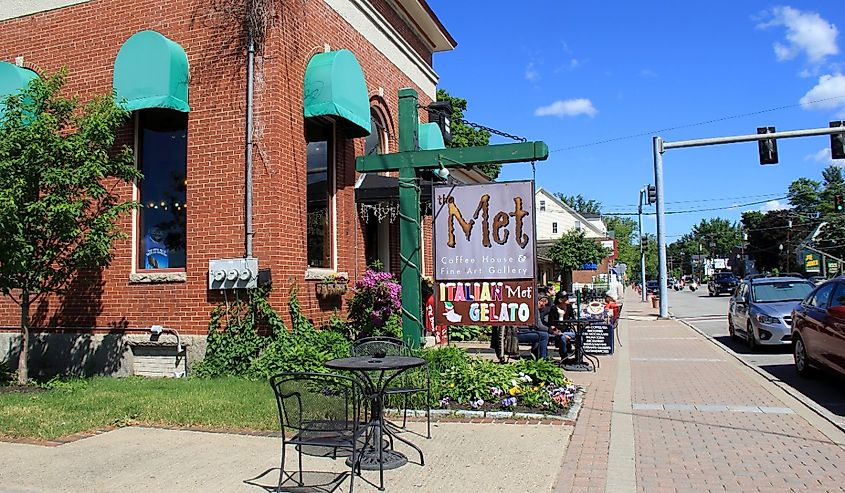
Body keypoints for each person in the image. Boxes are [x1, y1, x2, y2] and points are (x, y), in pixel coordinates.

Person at [517, 295, 551, 359]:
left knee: (540, 334)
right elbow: (538, 326)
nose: (543, 304)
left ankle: (536, 356)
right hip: (521, 332)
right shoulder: (534, 309)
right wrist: (550, 330)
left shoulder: (528, 307)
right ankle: (543, 359)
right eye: (541, 302)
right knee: (544, 335)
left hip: (522, 331)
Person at [548, 291, 578, 360]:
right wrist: (561, 333)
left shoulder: (569, 307)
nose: (568, 299)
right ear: (560, 300)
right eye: (566, 298)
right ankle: (564, 358)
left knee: (579, 336)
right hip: (556, 331)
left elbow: (573, 319)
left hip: (567, 330)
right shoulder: (553, 309)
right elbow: (551, 324)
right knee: (562, 338)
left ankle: (578, 357)